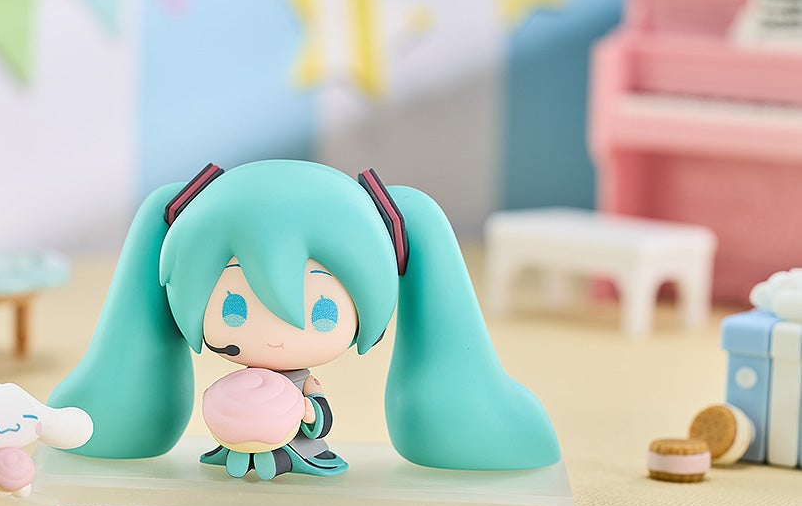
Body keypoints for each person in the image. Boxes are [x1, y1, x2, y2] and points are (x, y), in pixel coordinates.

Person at [48, 159, 560, 476]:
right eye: (234, 308)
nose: (274, 338)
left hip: (298, 446)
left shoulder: (306, 385)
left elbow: (319, 414)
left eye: (322, 311)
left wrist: (305, 412)